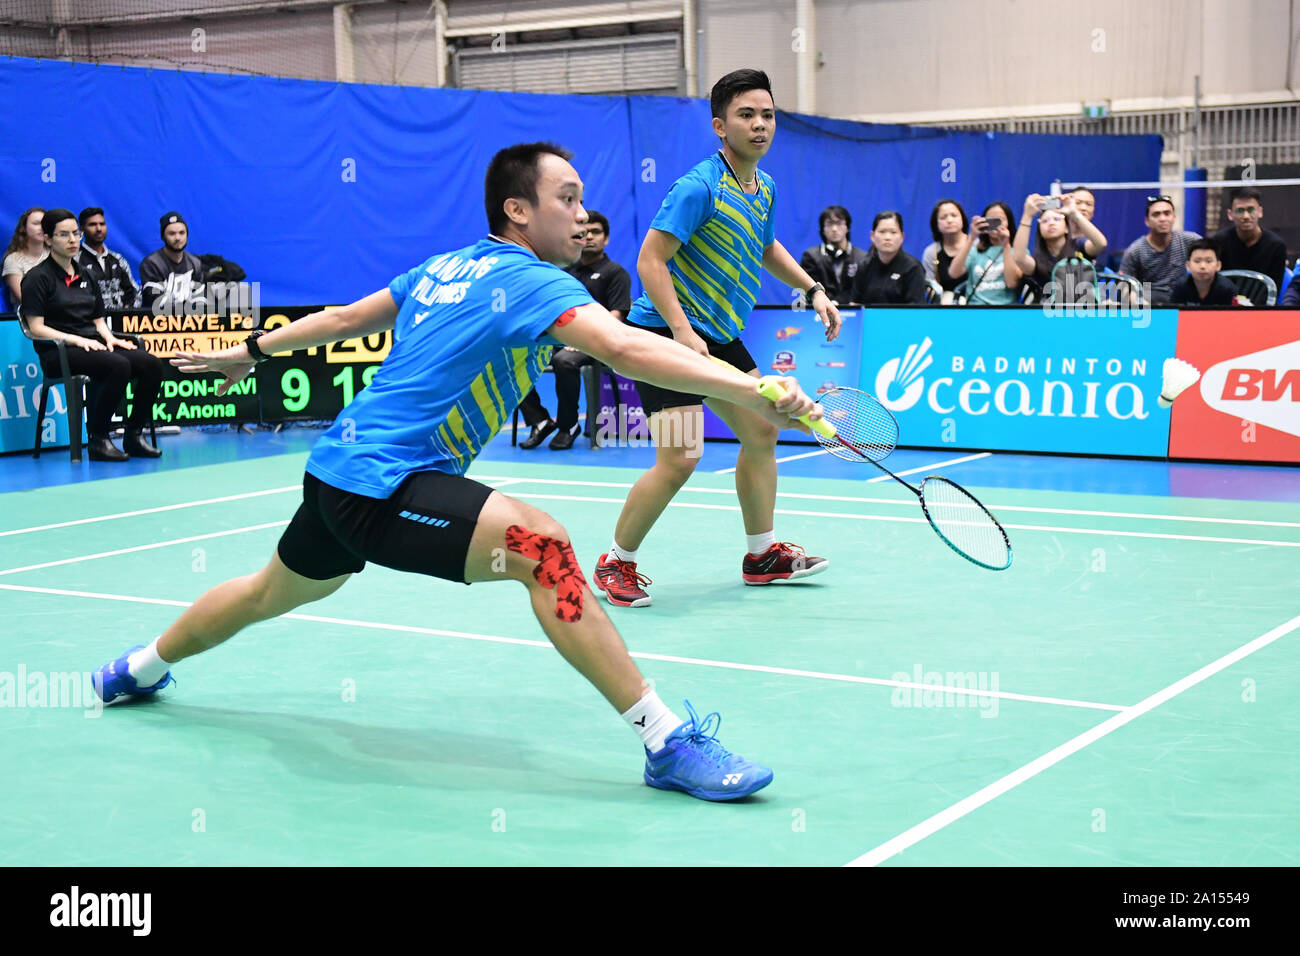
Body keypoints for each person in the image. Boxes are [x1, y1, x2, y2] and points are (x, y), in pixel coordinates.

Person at [90, 142, 827, 803]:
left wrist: (252, 350)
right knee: (544, 548)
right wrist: (751, 387)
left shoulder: (444, 266)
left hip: (338, 471)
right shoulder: (535, 282)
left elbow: (347, 319)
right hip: (384, 479)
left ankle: (138, 667)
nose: (582, 213)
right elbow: (627, 351)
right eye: (566, 198)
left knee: (263, 593)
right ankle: (665, 740)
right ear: (517, 210)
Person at [592, 69, 841, 609]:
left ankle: (762, 555)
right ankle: (616, 561)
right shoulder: (699, 186)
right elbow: (650, 260)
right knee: (681, 456)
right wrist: (681, 331)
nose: (759, 125)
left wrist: (813, 288)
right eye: (746, 115)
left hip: (722, 336)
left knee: (761, 432)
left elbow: (767, 245)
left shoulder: (764, 187)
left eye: (768, 115)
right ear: (719, 127)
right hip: (664, 332)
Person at [20, 209, 164, 461]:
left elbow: (98, 319)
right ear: (48, 239)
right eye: (63, 235)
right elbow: (35, 327)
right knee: (117, 365)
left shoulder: (86, 273)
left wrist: (110, 338)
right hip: (59, 351)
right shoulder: (37, 278)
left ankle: (133, 435)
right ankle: (98, 438)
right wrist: (77, 340)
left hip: (92, 345)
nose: (73, 240)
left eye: (75, 233)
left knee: (150, 364)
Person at [516, 210, 632, 450]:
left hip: (599, 343)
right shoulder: (564, 272)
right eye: (585, 231)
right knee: (511, 356)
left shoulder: (615, 273)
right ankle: (539, 420)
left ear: (606, 239)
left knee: (565, 360)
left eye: (596, 232)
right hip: (562, 339)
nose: (589, 236)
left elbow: (616, 318)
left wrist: (582, 339)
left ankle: (568, 425)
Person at [1013, 192, 1108, 293]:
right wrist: (1027, 215)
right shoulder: (1038, 260)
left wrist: (1074, 213)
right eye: (1045, 221)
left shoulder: (1079, 246)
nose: (1051, 223)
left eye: (1057, 219)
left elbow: (1100, 243)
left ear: (1067, 228)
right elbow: (1019, 258)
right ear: (1040, 231)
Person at [1119, 195, 1200, 305]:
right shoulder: (1135, 251)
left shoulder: (1190, 240)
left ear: (1174, 218)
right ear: (1147, 221)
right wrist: (1138, 302)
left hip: (1181, 299)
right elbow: (1124, 286)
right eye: (1156, 215)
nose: (1162, 219)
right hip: (1150, 302)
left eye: (1167, 214)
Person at [948, 201, 1029, 305]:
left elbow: (1011, 283)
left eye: (999, 220)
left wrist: (1006, 245)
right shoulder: (975, 251)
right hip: (975, 309)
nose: (994, 225)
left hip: (1004, 310)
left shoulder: (1018, 252)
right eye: (990, 220)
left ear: (1009, 222)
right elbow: (954, 273)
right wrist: (971, 238)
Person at [1211, 186, 1288, 291]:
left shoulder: (1276, 246)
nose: (1246, 216)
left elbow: (1274, 292)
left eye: (1251, 210)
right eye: (1240, 210)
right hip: (1225, 305)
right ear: (1230, 214)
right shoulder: (1218, 242)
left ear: (1260, 212)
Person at [849, 211, 926, 304]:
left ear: (902, 237)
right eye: (882, 232)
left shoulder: (913, 268)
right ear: (872, 236)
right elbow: (855, 303)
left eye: (893, 232)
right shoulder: (864, 265)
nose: (887, 237)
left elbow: (917, 309)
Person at [799, 205, 870, 304]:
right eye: (829, 224)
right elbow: (809, 288)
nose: (834, 229)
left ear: (847, 227)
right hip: (818, 311)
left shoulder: (862, 257)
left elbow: (862, 291)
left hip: (854, 312)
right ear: (822, 229)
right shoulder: (810, 257)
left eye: (839, 223)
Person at [140, 211, 207, 312]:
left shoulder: (195, 263)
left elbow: (201, 299)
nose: (177, 238)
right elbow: (154, 301)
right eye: (172, 233)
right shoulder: (151, 263)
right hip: (160, 322)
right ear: (163, 237)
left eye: (181, 233)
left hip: (190, 322)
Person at [76, 207, 140, 310]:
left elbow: (135, 292)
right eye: (92, 224)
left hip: (121, 320)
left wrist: (129, 311)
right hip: (89, 323)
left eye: (102, 224)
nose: (99, 229)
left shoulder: (118, 259)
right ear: (82, 229)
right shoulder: (75, 260)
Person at [1169, 239, 1246, 306]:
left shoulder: (1228, 289)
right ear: (1188, 265)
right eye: (1197, 261)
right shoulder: (1180, 286)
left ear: (1218, 265)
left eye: (1208, 261)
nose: (1203, 266)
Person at [921, 199, 968, 300]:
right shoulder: (931, 252)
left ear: (962, 219)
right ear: (936, 224)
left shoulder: (976, 245)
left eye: (954, 215)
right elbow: (930, 286)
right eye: (943, 217)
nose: (949, 220)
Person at [3, 207, 47, 308]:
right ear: (23, 228)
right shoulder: (13, 260)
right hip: (26, 318)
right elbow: (25, 299)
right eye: (36, 223)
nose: (42, 227)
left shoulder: (57, 255)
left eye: (45, 223)